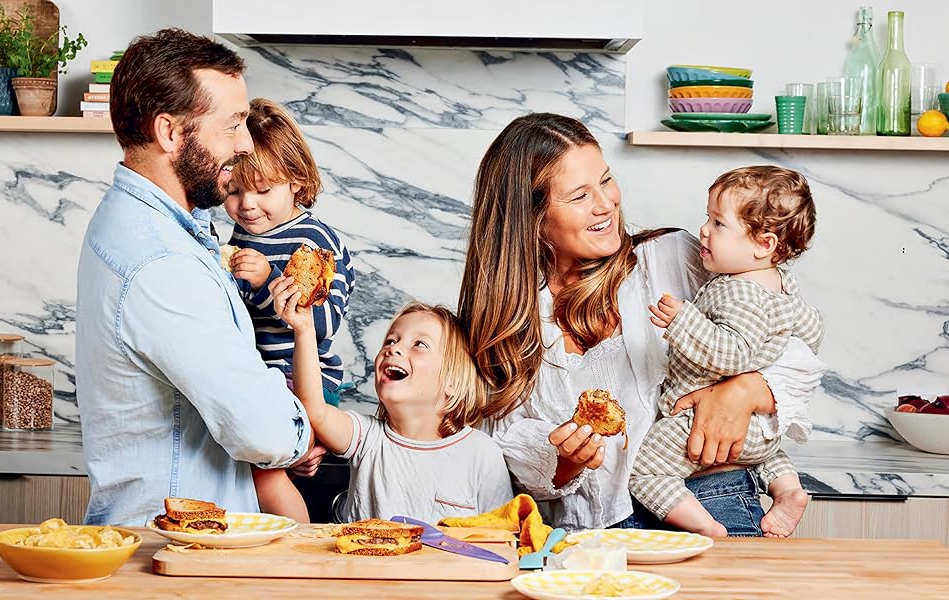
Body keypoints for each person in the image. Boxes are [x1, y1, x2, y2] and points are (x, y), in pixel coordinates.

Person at [458, 112, 825, 535]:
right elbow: (497, 455)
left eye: (606, 180)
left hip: (712, 499)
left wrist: (748, 390)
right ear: (532, 218)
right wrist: (563, 462)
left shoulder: (673, 258)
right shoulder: (506, 320)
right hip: (578, 533)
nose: (606, 203)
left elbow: (789, 334)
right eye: (579, 196)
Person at [75, 28, 314, 526]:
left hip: (173, 543)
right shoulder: (161, 262)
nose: (246, 143)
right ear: (169, 133)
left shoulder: (135, 224)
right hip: (173, 553)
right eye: (232, 125)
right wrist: (301, 428)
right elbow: (264, 433)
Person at [630, 166, 825, 538]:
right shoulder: (781, 285)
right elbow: (813, 330)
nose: (703, 229)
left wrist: (684, 321)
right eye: (708, 217)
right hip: (758, 429)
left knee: (645, 468)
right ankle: (788, 491)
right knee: (765, 454)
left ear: (763, 244)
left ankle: (704, 525)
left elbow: (731, 354)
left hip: (701, 421)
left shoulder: (739, 291)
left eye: (719, 223)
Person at [270, 282, 514, 524]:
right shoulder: (368, 438)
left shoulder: (482, 454)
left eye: (419, 344)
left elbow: (501, 538)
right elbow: (315, 411)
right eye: (389, 341)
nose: (393, 348)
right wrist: (304, 329)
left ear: (452, 381)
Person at [222, 98, 356, 521]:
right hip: (262, 385)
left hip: (305, 383)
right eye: (234, 191)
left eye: (263, 190)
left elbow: (323, 323)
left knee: (266, 477)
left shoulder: (315, 241)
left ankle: (298, 548)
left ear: (296, 181)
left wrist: (266, 281)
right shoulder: (240, 235)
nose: (247, 205)